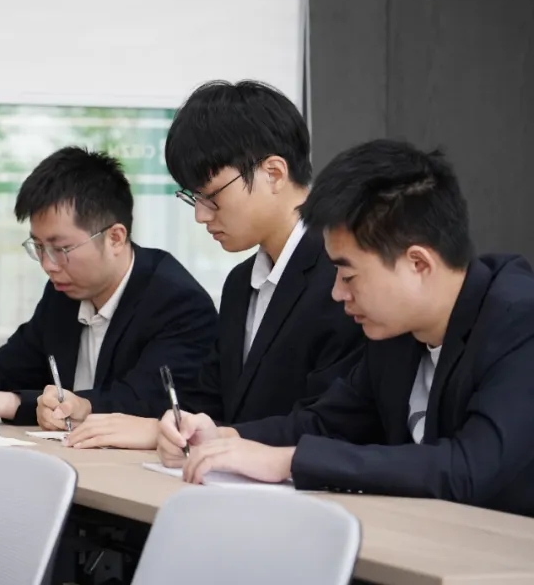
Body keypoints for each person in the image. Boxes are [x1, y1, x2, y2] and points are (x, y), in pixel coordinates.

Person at [157, 139, 534, 517]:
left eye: (348, 275)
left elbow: (469, 467)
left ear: (418, 264)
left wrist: (288, 461)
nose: (338, 293)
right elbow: (326, 422)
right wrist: (223, 438)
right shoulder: (395, 333)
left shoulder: (519, 321)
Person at [66, 80, 364, 450]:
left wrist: (212, 436)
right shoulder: (241, 283)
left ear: (273, 174)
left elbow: (333, 423)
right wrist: (162, 426)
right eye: (194, 198)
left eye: (212, 196)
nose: (201, 216)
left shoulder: (344, 275)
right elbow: (208, 401)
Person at [0, 146, 218, 429]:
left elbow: (143, 403)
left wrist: (13, 403)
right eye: (38, 247)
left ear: (115, 238)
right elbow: (12, 365)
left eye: (61, 249)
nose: (48, 265)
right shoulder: (64, 292)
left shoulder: (178, 303)